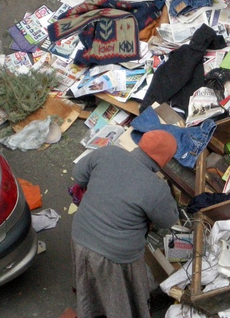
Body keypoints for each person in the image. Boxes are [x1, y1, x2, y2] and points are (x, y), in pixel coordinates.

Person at [70, 130, 179, 318]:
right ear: (165, 160)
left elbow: (78, 175)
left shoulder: (108, 152)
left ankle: (91, 310)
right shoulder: (156, 188)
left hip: (80, 234)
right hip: (115, 254)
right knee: (119, 298)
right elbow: (167, 220)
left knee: (90, 281)